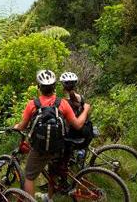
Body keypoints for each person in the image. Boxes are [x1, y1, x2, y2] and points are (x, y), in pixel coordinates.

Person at [14, 70, 91, 201]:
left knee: (29, 176)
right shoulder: (62, 103)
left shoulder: (32, 104)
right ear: (54, 87)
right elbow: (78, 125)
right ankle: (49, 198)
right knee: (53, 171)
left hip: (40, 148)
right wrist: (86, 109)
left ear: (39, 87)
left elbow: (22, 126)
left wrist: (16, 126)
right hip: (58, 146)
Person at [60, 71, 93, 149]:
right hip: (86, 127)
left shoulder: (64, 101)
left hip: (75, 130)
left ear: (63, 85)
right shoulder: (80, 97)